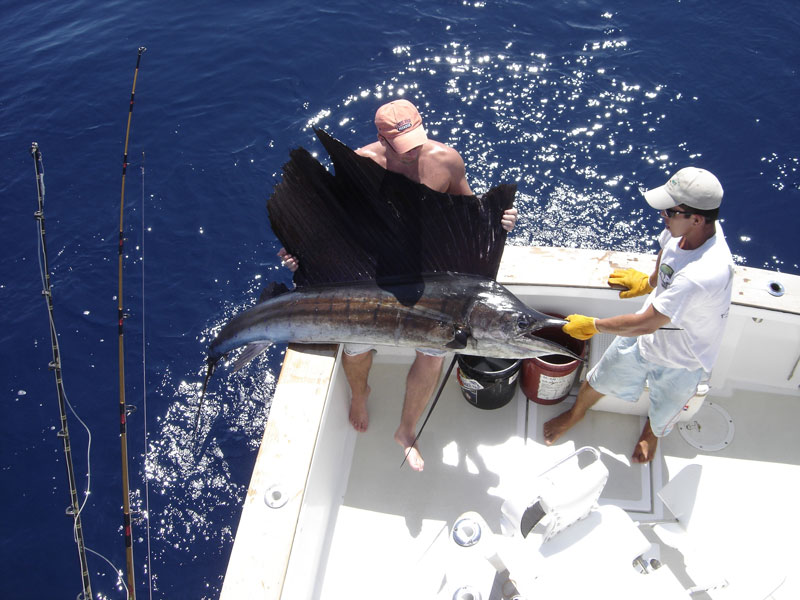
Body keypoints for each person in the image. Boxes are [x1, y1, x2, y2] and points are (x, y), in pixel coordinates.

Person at [278, 99, 518, 471]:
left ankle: (406, 430)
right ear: (381, 140)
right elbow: (331, 226)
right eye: (403, 149)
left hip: (428, 275)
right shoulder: (361, 164)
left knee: (432, 354)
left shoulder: (446, 160)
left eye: (416, 142)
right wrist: (300, 255)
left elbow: (469, 214)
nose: (412, 155)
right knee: (356, 348)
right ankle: (361, 394)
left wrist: (498, 223)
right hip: (376, 276)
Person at [543, 167, 734, 463]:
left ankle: (651, 433)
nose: (663, 216)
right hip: (647, 340)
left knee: (665, 411)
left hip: (683, 360)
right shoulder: (687, 230)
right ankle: (575, 413)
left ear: (696, 219)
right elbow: (668, 250)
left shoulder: (703, 273)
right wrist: (651, 281)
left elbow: (646, 324)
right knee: (597, 380)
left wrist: (593, 325)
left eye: (670, 211)